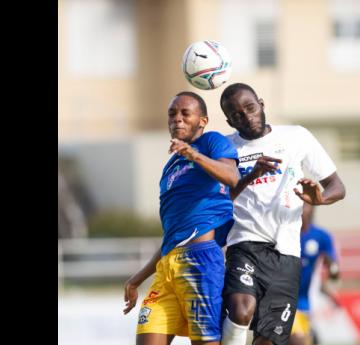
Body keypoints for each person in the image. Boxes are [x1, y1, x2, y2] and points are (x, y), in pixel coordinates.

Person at [219, 83, 346, 345]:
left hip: (287, 252)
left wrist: (320, 199)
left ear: (262, 104)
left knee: (269, 339)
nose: (246, 116)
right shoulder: (225, 148)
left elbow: (337, 186)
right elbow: (219, 200)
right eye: (237, 114)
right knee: (241, 309)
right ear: (229, 119)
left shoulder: (296, 136)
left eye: (250, 108)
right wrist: (251, 174)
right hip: (245, 244)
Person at [123, 91, 240, 345]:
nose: (178, 119)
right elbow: (173, 235)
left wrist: (193, 154)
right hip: (167, 267)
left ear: (203, 121)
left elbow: (232, 177)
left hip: (200, 261)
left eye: (186, 113)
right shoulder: (171, 167)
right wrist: (137, 278)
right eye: (172, 113)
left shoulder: (212, 142)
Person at [289, 203, 341, 345]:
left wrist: (332, 267)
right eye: (299, 204)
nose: (302, 208)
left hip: (304, 301)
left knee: (303, 340)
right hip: (281, 298)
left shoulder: (321, 236)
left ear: (313, 208)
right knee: (297, 340)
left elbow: (334, 272)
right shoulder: (284, 234)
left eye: (306, 205)